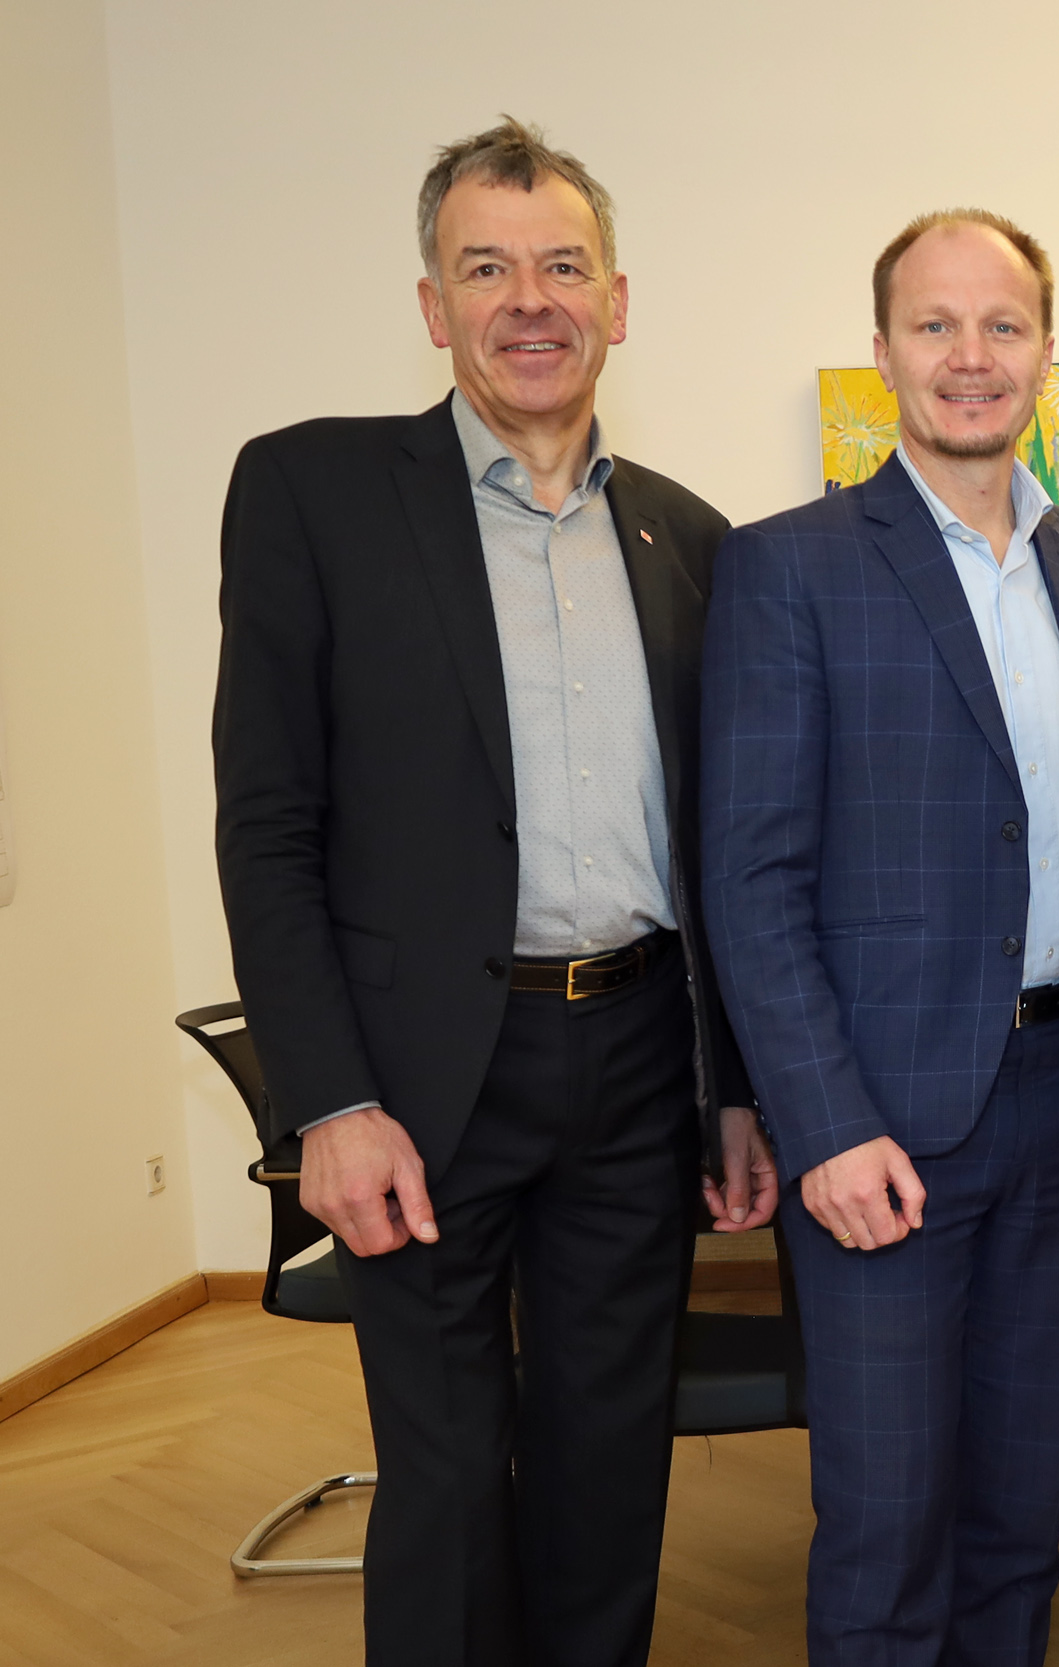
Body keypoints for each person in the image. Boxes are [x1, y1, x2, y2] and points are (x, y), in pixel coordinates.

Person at [213, 118, 776, 1666]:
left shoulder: (690, 538)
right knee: (451, 1479)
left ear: (616, 300)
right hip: (418, 1080)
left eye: (561, 267)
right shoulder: (313, 495)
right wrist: (325, 1102)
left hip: (638, 1058)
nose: (529, 300)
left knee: (609, 1465)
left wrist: (728, 1092)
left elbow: (719, 851)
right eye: (487, 268)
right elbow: (266, 827)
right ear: (431, 304)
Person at [700, 208, 1059, 1667]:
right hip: (881, 1127)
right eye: (936, 325)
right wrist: (823, 1125)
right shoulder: (789, 567)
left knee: (1022, 1515)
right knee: (885, 1525)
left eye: (1003, 326)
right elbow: (751, 879)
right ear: (882, 351)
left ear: (1048, 350)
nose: (970, 358)